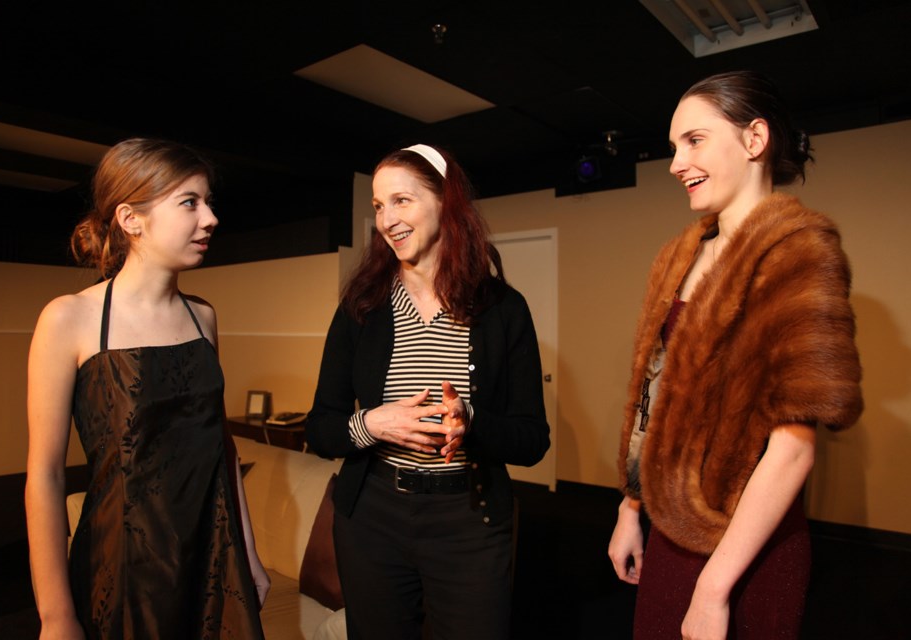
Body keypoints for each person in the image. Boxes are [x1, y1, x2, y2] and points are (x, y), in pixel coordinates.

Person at [607, 70, 863, 640]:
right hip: (669, 529)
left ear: (754, 139)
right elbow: (652, 393)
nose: (675, 163)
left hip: (747, 544)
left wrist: (713, 588)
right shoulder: (679, 254)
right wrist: (631, 509)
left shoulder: (798, 251)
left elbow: (793, 451)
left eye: (693, 140)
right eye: (674, 146)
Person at [25, 138, 268, 639]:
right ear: (131, 219)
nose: (210, 218)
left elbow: (220, 448)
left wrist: (248, 555)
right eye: (189, 202)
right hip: (124, 568)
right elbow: (45, 476)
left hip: (211, 558)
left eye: (208, 202)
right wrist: (56, 616)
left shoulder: (204, 318)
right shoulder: (69, 318)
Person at [306, 143, 550, 639]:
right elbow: (321, 426)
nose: (387, 219)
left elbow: (532, 440)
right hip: (372, 518)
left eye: (402, 201)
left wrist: (473, 422)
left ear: (445, 200)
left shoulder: (503, 309)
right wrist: (373, 423)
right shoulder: (362, 306)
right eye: (378, 206)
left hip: (468, 522)